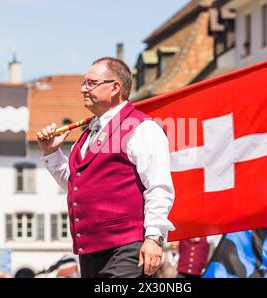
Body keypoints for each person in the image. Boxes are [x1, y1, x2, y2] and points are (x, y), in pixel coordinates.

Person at [37, 57, 175, 278]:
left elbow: (159, 187)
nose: (83, 89)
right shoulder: (86, 135)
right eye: (83, 83)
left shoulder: (142, 128)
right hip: (90, 251)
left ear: (115, 88)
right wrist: (51, 153)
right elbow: (77, 185)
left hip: (127, 247)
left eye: (91, 83)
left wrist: (154, 237)